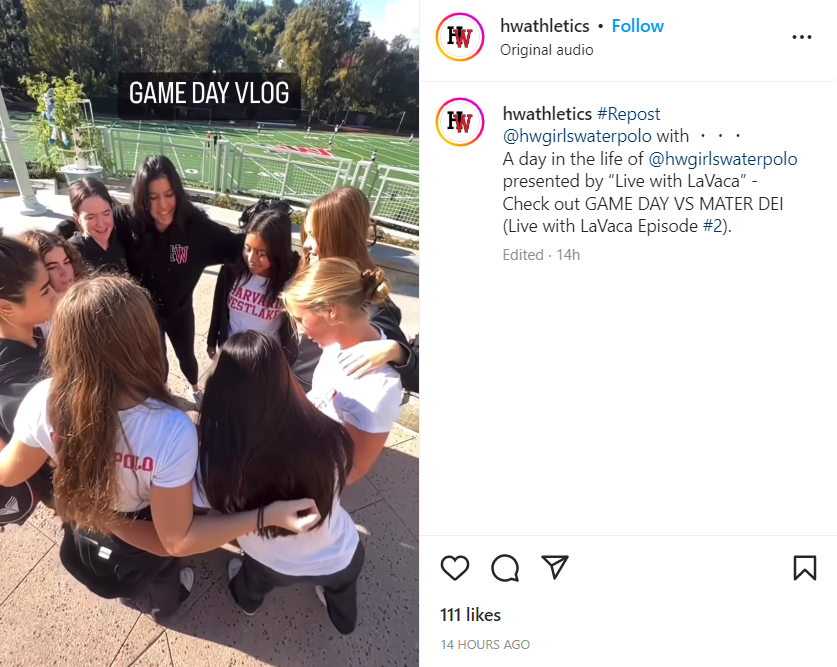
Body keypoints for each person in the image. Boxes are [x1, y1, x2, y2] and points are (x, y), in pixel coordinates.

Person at [0, 276, 320, 618]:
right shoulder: (171, 429)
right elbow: (174, 540)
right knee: (163, 578)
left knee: (120, 579)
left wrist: (91, 511)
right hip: (137, 530)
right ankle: (164, 607)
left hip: (81, 526)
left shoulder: (42, 399)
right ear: (144, 339)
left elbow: (8, 473)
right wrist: (264, 516)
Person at [194, 331, 364, 632]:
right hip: (339, 553)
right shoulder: (332, 437)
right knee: (342, 587)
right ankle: (344, 620)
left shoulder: (212, 463)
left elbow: (195, 507)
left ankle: (248, 603)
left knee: (251, 584)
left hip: (270, 561)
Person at [125, 155, 243, 406]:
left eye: (169, 194)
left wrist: (278, 246)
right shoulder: (130, 223)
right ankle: (164, 391)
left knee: (187, 357)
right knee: (157, 361)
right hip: (145, 314)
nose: (163, 205)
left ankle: (194, 387)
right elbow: (95, 217)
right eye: (152, 197)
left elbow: (238, 245)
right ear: (142, 199)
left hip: (180, 311)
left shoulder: (195, 226)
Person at [282, 258, 403, 483]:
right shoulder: (336, 343)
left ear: (331, 311)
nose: (301, 332)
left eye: (301, 319)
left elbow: (354, 467)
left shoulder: (378, 390)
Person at [293, 187, 418, 394]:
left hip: (323, 411)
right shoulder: (317, 278)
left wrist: (395, 350)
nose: (306, 244)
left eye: (314, 235)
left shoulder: (373, 305)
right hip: (295, 392)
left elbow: (417, 378)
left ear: (340, 237)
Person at [0, 237, 59, 527]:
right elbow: (10, 471)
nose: (56, 295)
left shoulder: (28, 333)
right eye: (45, 290)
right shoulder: (20, 385)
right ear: (6, 308)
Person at [207, 208, 299, 358]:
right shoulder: (232, 271)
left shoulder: (290, 279)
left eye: (261, 254)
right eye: (247, 249)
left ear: (278, 252)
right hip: (230, 354)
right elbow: (218, 306)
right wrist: (212, 340)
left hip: (264, 361)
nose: (251, 259)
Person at [18, 230, 85, 339]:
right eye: (52, 267)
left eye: (66, 262)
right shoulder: (30, 323)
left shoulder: (85, 300)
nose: (65, 272)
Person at [55, 178, 130, 274]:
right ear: (77, 218)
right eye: (91, 217)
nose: (101, 224)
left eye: (106, 214)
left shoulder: (121, 237)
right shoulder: (71, 253)